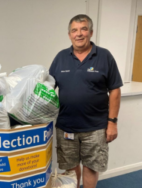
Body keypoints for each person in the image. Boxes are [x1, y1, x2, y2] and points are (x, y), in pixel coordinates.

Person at [49, 14, 122, 188]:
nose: (79, 34)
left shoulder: (104, 56)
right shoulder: (61, 57)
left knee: (91, 166)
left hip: (96, 126)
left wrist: (112, 122)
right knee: (70, 169)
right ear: (69, 35)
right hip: (66, 125)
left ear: (91, 32)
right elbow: (48, 88)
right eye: (74, 30)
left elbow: (115, 90)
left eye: (83, 29)